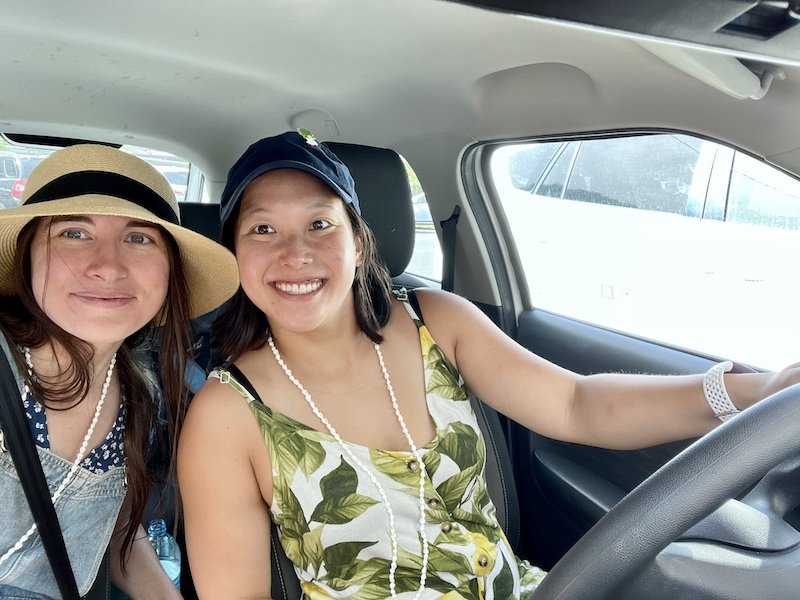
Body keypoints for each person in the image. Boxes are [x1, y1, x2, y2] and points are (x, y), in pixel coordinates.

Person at [177, 131, 800, 599]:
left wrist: (753, 392)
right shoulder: (225, 415)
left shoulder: (436, 322)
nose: (296, 253)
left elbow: (576, 405)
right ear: (234, 252)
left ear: (359, 240)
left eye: (320, 223)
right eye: (263, 230)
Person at [0, 144, 239, 599]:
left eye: (138, 238)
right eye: (73, 233)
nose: (107, 266)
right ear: (27, 256)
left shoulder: (140, 397)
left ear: (170, 272)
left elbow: (116, 534)